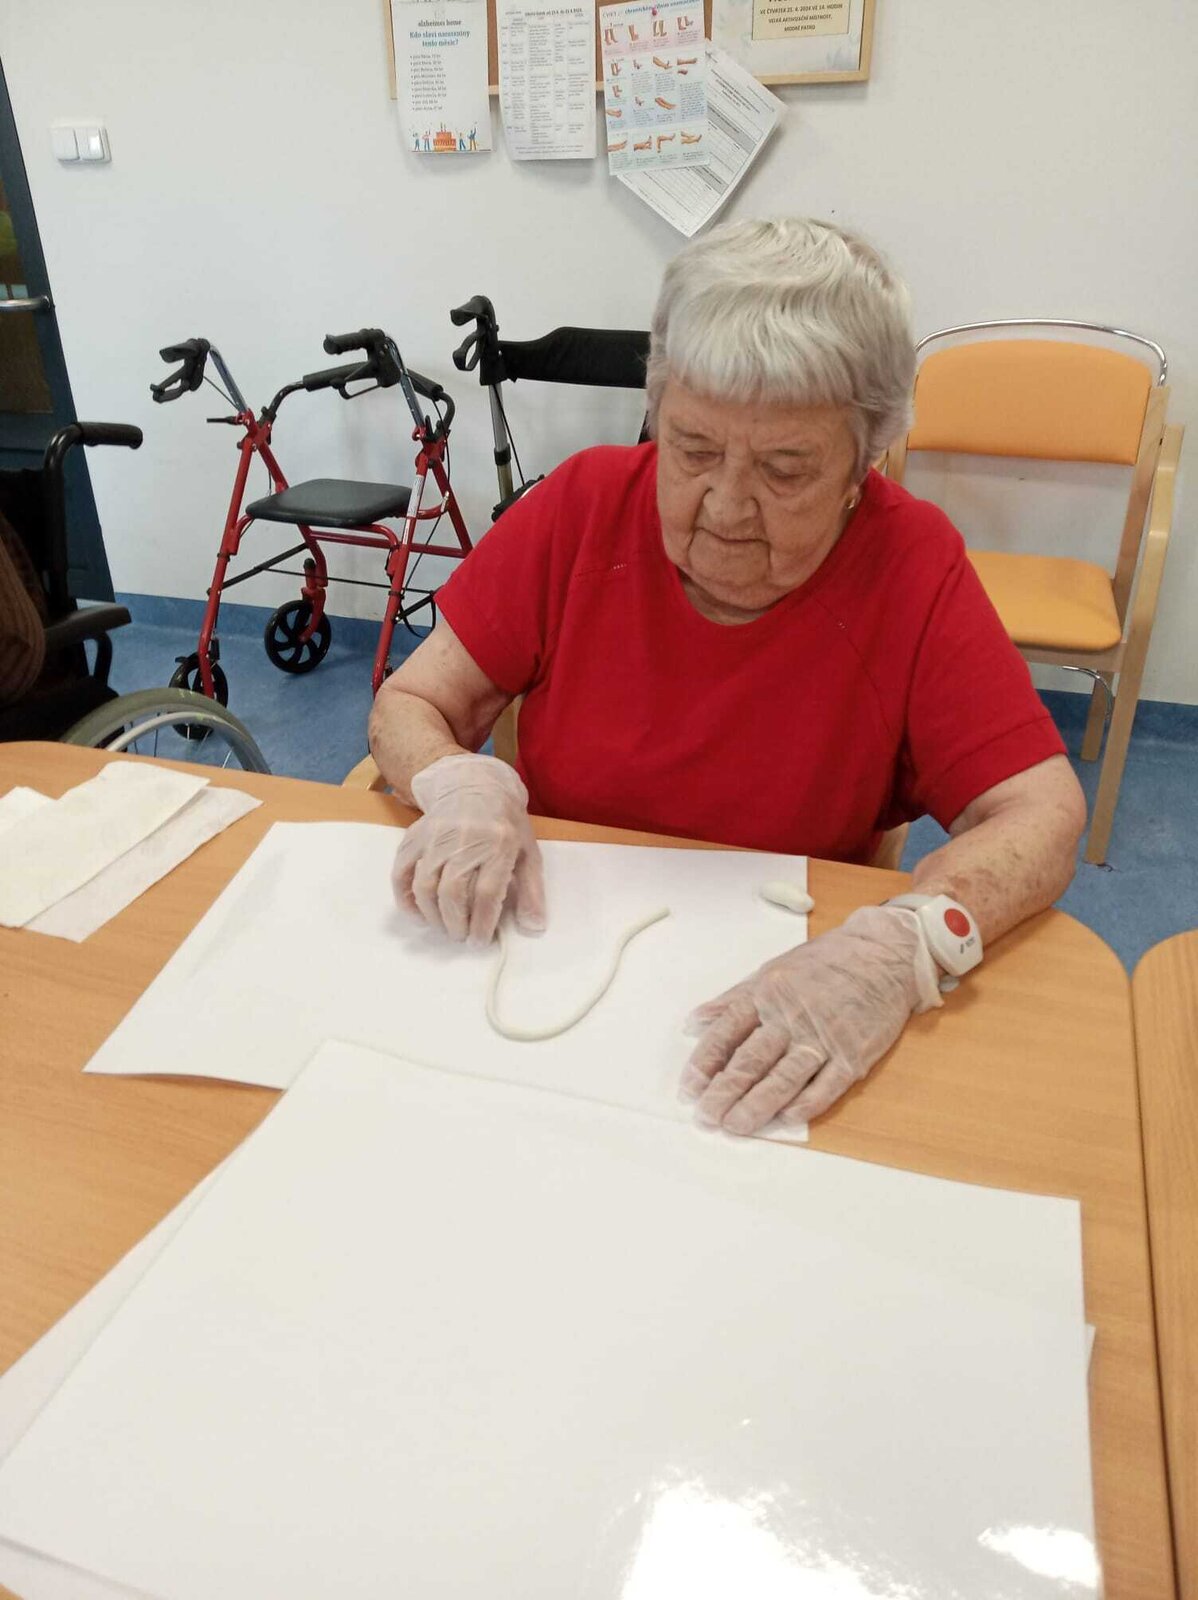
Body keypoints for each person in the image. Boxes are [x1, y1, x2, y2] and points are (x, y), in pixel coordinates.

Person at [368, 217, 1086, 1134]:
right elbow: (413, 700)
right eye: (693, 449)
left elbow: (1042, 813)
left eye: (785, 469)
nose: (727, 505)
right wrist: (458, 781)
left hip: (774, 991)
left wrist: (905, 944)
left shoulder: (909, 564)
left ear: (864, 461)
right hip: (546, 953)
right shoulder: (584, 505)